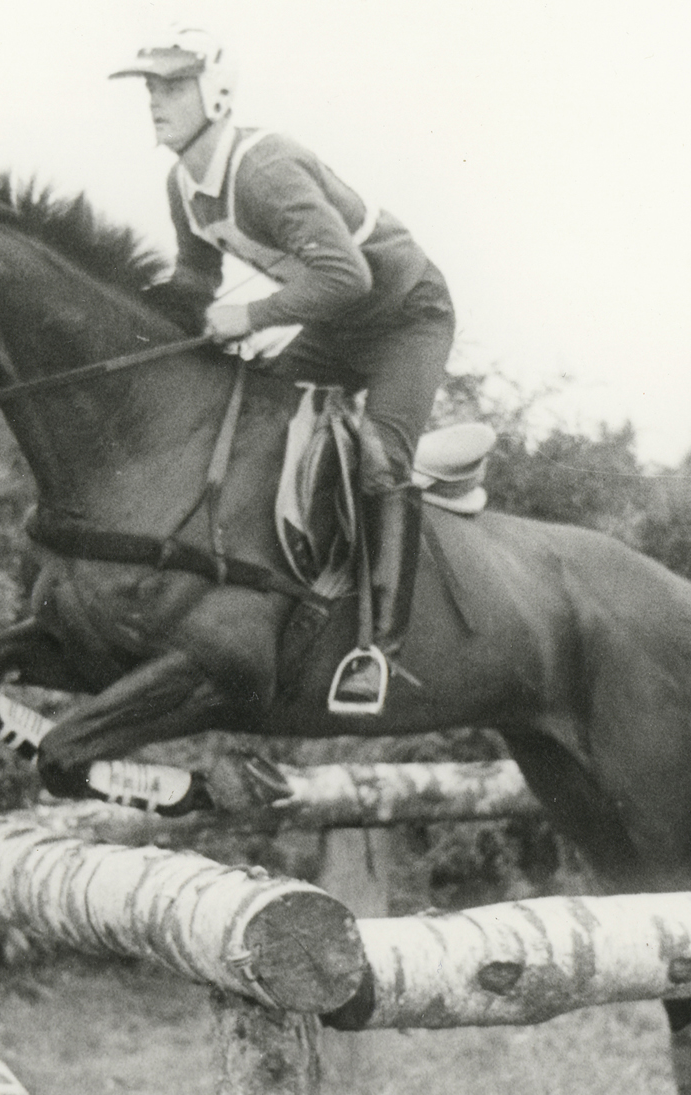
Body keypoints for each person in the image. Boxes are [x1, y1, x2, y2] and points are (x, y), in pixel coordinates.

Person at [111, 25, 456, 715]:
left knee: (381, 461)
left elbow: (347, 275)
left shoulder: (264, 169)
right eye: (151, 87)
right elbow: (195, 278)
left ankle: (376, 653)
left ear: (216, 91)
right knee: (259, 419)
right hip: (334, 323)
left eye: (172, 86)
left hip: (403, 321)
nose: (155, 101)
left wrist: (254, 317)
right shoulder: (184, 185)